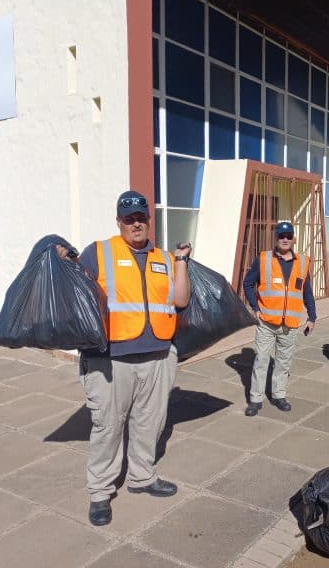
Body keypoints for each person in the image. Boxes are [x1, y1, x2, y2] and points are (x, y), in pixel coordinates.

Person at [56, 190, 191, 527]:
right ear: (119, 222)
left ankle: (143, 477)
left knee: (151, 422)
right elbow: (77, 292)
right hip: (111, 359)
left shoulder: (162, 258)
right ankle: (100, 491)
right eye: (128, 218)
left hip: (158, 356)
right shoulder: (98, 252)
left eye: (140, 217)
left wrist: (181, 263)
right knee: (108, 426)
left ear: (148, 220)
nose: (135, 223)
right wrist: (65, 263)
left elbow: (181, 300)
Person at [242, 221, 317, 416]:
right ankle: (256, 399)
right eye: (281, 236)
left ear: (293, 239)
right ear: (276, 238)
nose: (285, 240)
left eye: (288, 236)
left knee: (284, 362)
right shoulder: (264, 259)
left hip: (290, 324)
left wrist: (312, 317)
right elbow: (248, 284)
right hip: (266, 322)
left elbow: (306, 291)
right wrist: (255, 308)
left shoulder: (302, 262)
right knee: (261, 360)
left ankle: (279, 395)